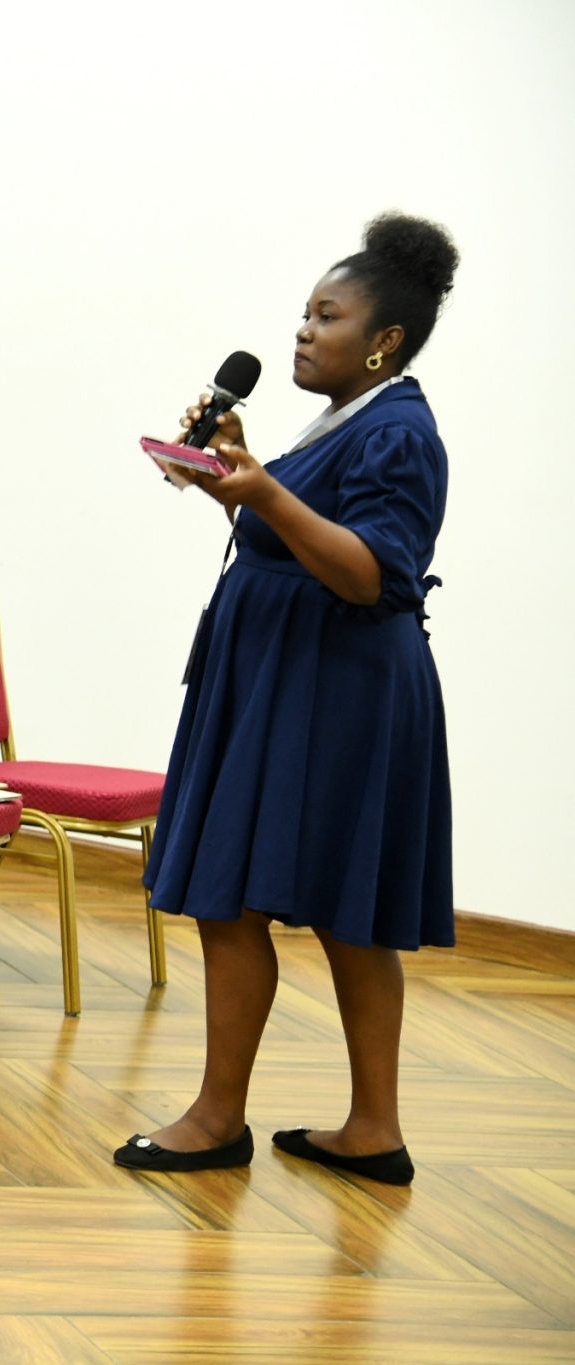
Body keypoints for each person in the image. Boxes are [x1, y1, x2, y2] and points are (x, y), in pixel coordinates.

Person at [115, 212, 459, 1187]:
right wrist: (230, 476)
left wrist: (262, 494)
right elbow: (298, 529)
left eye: (326, 316)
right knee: (329, 909)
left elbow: (370, 574)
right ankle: (369, 1131)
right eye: (303, 313)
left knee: (237, 898)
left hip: (332, 687)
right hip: (289, 675)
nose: (302, 331)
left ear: (383, 339)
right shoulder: (350, 417)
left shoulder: (399, 432)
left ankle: (217, 1119)